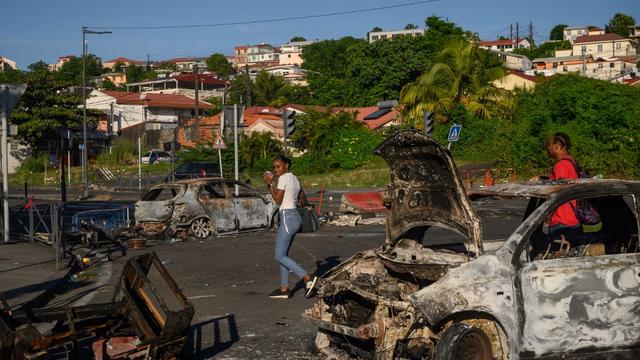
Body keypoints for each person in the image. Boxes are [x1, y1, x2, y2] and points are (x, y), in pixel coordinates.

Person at [263, 155, 317, 299]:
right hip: (295, 218)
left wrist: (269, 184)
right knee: (283, 254)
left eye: (278, 166)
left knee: (279, 255)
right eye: (274, 167)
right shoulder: (295, 178)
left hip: (287, 217)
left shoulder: (284, 178)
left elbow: (277, 200)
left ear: (286, 165)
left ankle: (307, 277)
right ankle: (284, 288)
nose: (276, 170)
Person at [545, 132, 580, 235]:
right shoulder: (570, 162)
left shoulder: (561, 165)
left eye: (549, 144)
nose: (548, 148)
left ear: (558, 145)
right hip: (571, 219)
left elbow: (558, 191)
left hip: (562, 221)